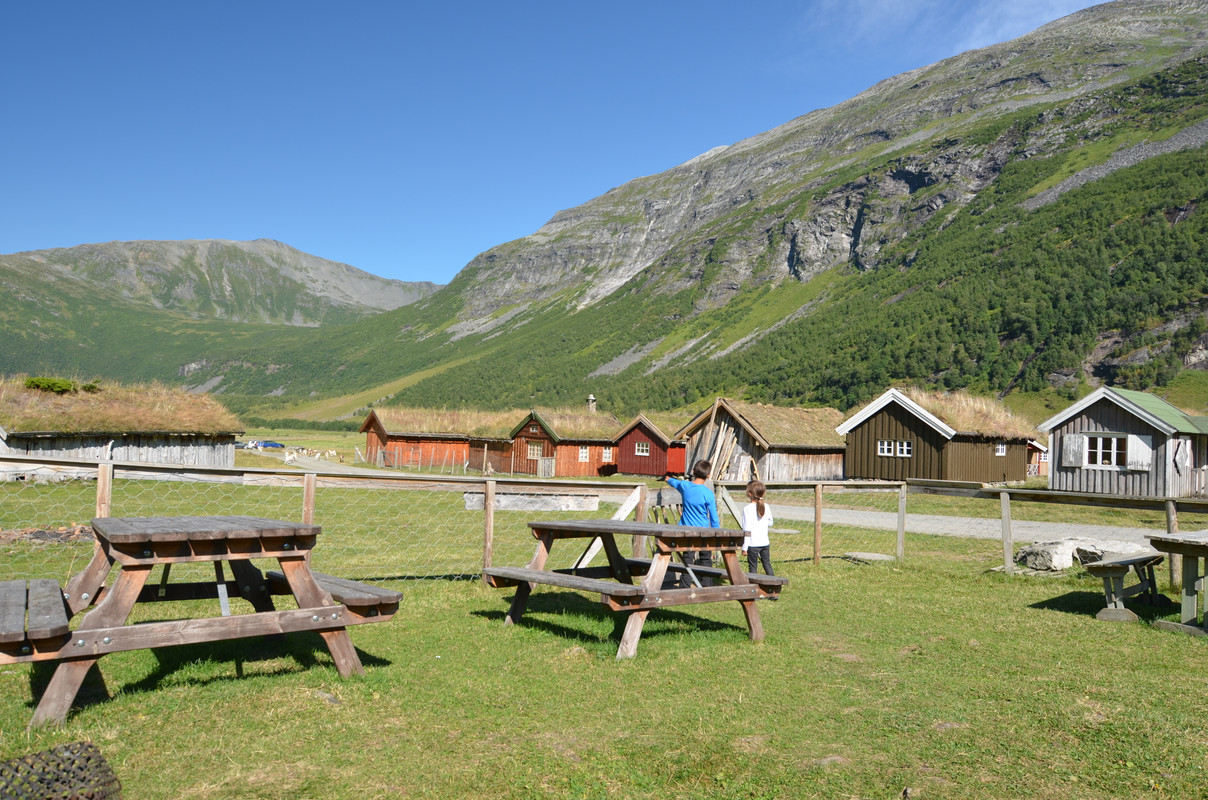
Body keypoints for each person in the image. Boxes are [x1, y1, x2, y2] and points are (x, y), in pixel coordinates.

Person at [664, 460, 719, 586]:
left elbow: (674, 482)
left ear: (693, 472)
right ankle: (707, 584)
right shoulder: (708, 494)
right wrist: (717, 532)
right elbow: (714, 517)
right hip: (704, 531)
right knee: (706, 558)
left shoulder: (685, 486)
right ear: (709, 475)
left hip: (687, 530)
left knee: (687, 558)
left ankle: (684, 585)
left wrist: (667, 479)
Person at [741, 479, 775, 581]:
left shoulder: (747, 509)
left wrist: (744, 546)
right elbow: (770, 522)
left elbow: (746, 528)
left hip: (752, 543)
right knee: (767, 564)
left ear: (750, 494)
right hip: (765, 542)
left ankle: (754, 590)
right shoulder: (766, 506)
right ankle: (773, 587)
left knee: (753, 567)